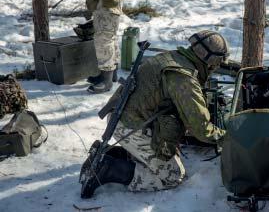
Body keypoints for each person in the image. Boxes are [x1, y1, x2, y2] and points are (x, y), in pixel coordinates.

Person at [80, 30, 230, 198]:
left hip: (123, 116)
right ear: (210, 62)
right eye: (216, 65)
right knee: (173, 176)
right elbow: (202, 130)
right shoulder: (183, 78)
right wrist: (230, 137)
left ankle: (107, 155)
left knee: (167, 153)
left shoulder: (173, 57)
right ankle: (108, 170)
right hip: (129, 127)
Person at [82, 0, 123, 94]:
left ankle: (107, 80)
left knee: (104, 41)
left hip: (107, 3)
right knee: (109, 38)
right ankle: (110, 74)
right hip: (105, 4)